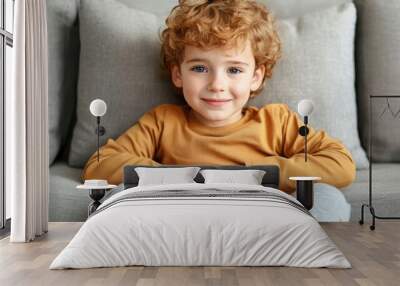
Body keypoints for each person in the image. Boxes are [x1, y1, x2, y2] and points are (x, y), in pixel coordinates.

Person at [82, 0, 355, 221]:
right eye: (199, 68)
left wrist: (258, 175)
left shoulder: (277, 121)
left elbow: (340, 164)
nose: (217, 85)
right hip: (181, 217)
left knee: (329, 197)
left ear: (256, 77)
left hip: (265, 218)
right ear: (178, 75)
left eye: (234, 70)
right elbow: (99, 166)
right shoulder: (163, 121)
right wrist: (178, 178)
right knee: (115, 195)